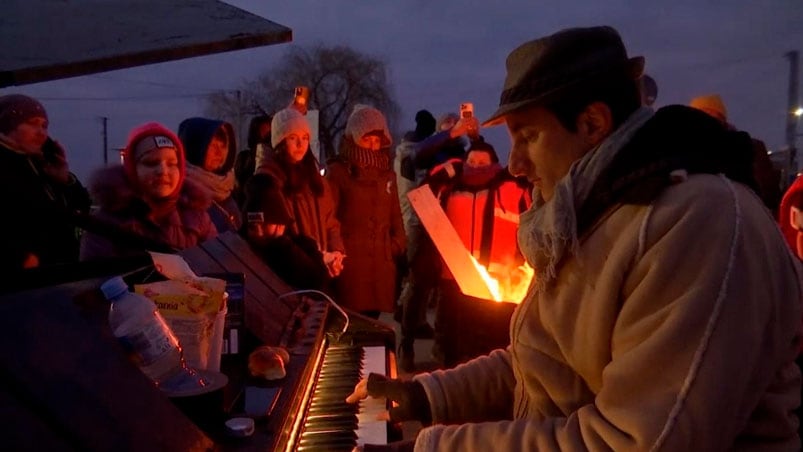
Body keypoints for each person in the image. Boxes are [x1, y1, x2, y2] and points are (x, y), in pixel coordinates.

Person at [347, 25, 802, 451]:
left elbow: (633, 441)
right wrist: (426, 396)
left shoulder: (697, 225)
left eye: (527, 137)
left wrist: (436, 445)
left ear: (592, 123)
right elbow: (540, 361)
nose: (515, 164)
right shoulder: (594, 213)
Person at [425, 138, 532, 367]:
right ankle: (452, 379)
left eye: (483, 161)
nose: (476, 166)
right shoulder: (451, 188)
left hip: (498, 282)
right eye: (471, 161)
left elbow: (532, 222)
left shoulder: (511, 187)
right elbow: (422, 193)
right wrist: (450, 167)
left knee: (493, 343)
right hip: (454, 278)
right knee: (455, 338)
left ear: (494, 163)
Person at [395, 110, 478, 370]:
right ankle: (406, 345)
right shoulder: (426, 151)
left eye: (457, 123)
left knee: (448, 288)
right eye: (449, 124)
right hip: (425, 219)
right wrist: (449, 135)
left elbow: (481, 165)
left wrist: (475, 138)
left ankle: (443, 350)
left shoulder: (462, 153)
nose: (455, 126)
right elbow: (415, 158)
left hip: (453, 223)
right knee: (420, 284)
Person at [80, 122, 217, 260]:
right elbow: (93, 277)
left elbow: (217, 268)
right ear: (132, 169)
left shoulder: (198, 219)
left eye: (172, 164)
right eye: (151, 163)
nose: (163, 171)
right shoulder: (105, 222)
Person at [326, 106, 406, 319]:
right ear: (354, 138)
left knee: (373, 322)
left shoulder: (386, 174)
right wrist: (337, 250)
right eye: (367, 140)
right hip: (352, 265)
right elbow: (329, 216)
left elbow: (395, 213)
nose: (372, 146)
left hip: (381, 262)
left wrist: (397, 243)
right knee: (350, 321)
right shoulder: (338, 172)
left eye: (377, 141)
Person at [0, 94, 91, 272]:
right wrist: (19, 256)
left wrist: (64, 179)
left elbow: (81, 208)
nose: (41, 132)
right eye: (32, 123)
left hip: (57, 272)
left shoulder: (40, 165)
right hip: (20, 281)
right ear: (7, 124)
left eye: (44, 126)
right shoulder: (6, 167)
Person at [253, 108, 345, 278]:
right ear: (280, 142)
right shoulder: (270, 180)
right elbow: (278, 237)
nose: (300, 145)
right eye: (293, 138)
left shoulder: (315, 180)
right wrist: (318, 260)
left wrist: (336, 253)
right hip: (291, 272)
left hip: (320, 269)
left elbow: (331, 222)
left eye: (305, 138)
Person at [689, 93, 782, 215]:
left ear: (723, 121)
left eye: (713, 117)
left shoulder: (748, 149)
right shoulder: (681, 152)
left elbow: (768, 195)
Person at [241, 173, 330, 291]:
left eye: (265, 225)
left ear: (280, 224)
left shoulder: (304, 247)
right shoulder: (239, 247)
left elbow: (317, 282)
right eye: (252, 227)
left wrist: (282, 245)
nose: (259, 232)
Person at [178, 117, 241, 232]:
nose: (219, 153)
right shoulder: (183, 195)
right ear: (194, 147)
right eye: (213, 146)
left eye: (223, 146)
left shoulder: (225, 187)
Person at [233, 114, 272, 208]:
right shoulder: (244, 158)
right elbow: (239, 186)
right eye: (265, 132)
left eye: (270, 132)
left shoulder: (275, 157)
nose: (268, 136)